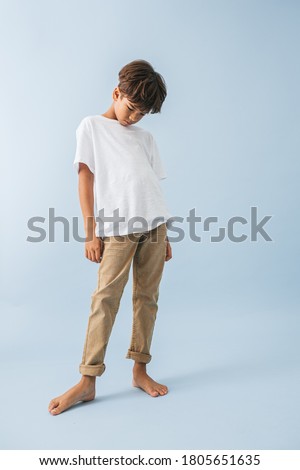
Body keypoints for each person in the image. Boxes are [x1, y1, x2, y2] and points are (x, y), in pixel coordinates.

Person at [48, 59, 173, 416]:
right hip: (117, 229)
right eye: (132, 107)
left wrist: (165, 235)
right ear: (117, 93)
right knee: (105, 299)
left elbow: (150, 186)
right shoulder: (91, 127)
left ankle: (140, 370)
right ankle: (88, 380)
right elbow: (85, 179)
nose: (135, 117)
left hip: (155, 225)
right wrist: (91, 233)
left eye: (143, 113)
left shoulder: (146, 138)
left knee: (147, 298)